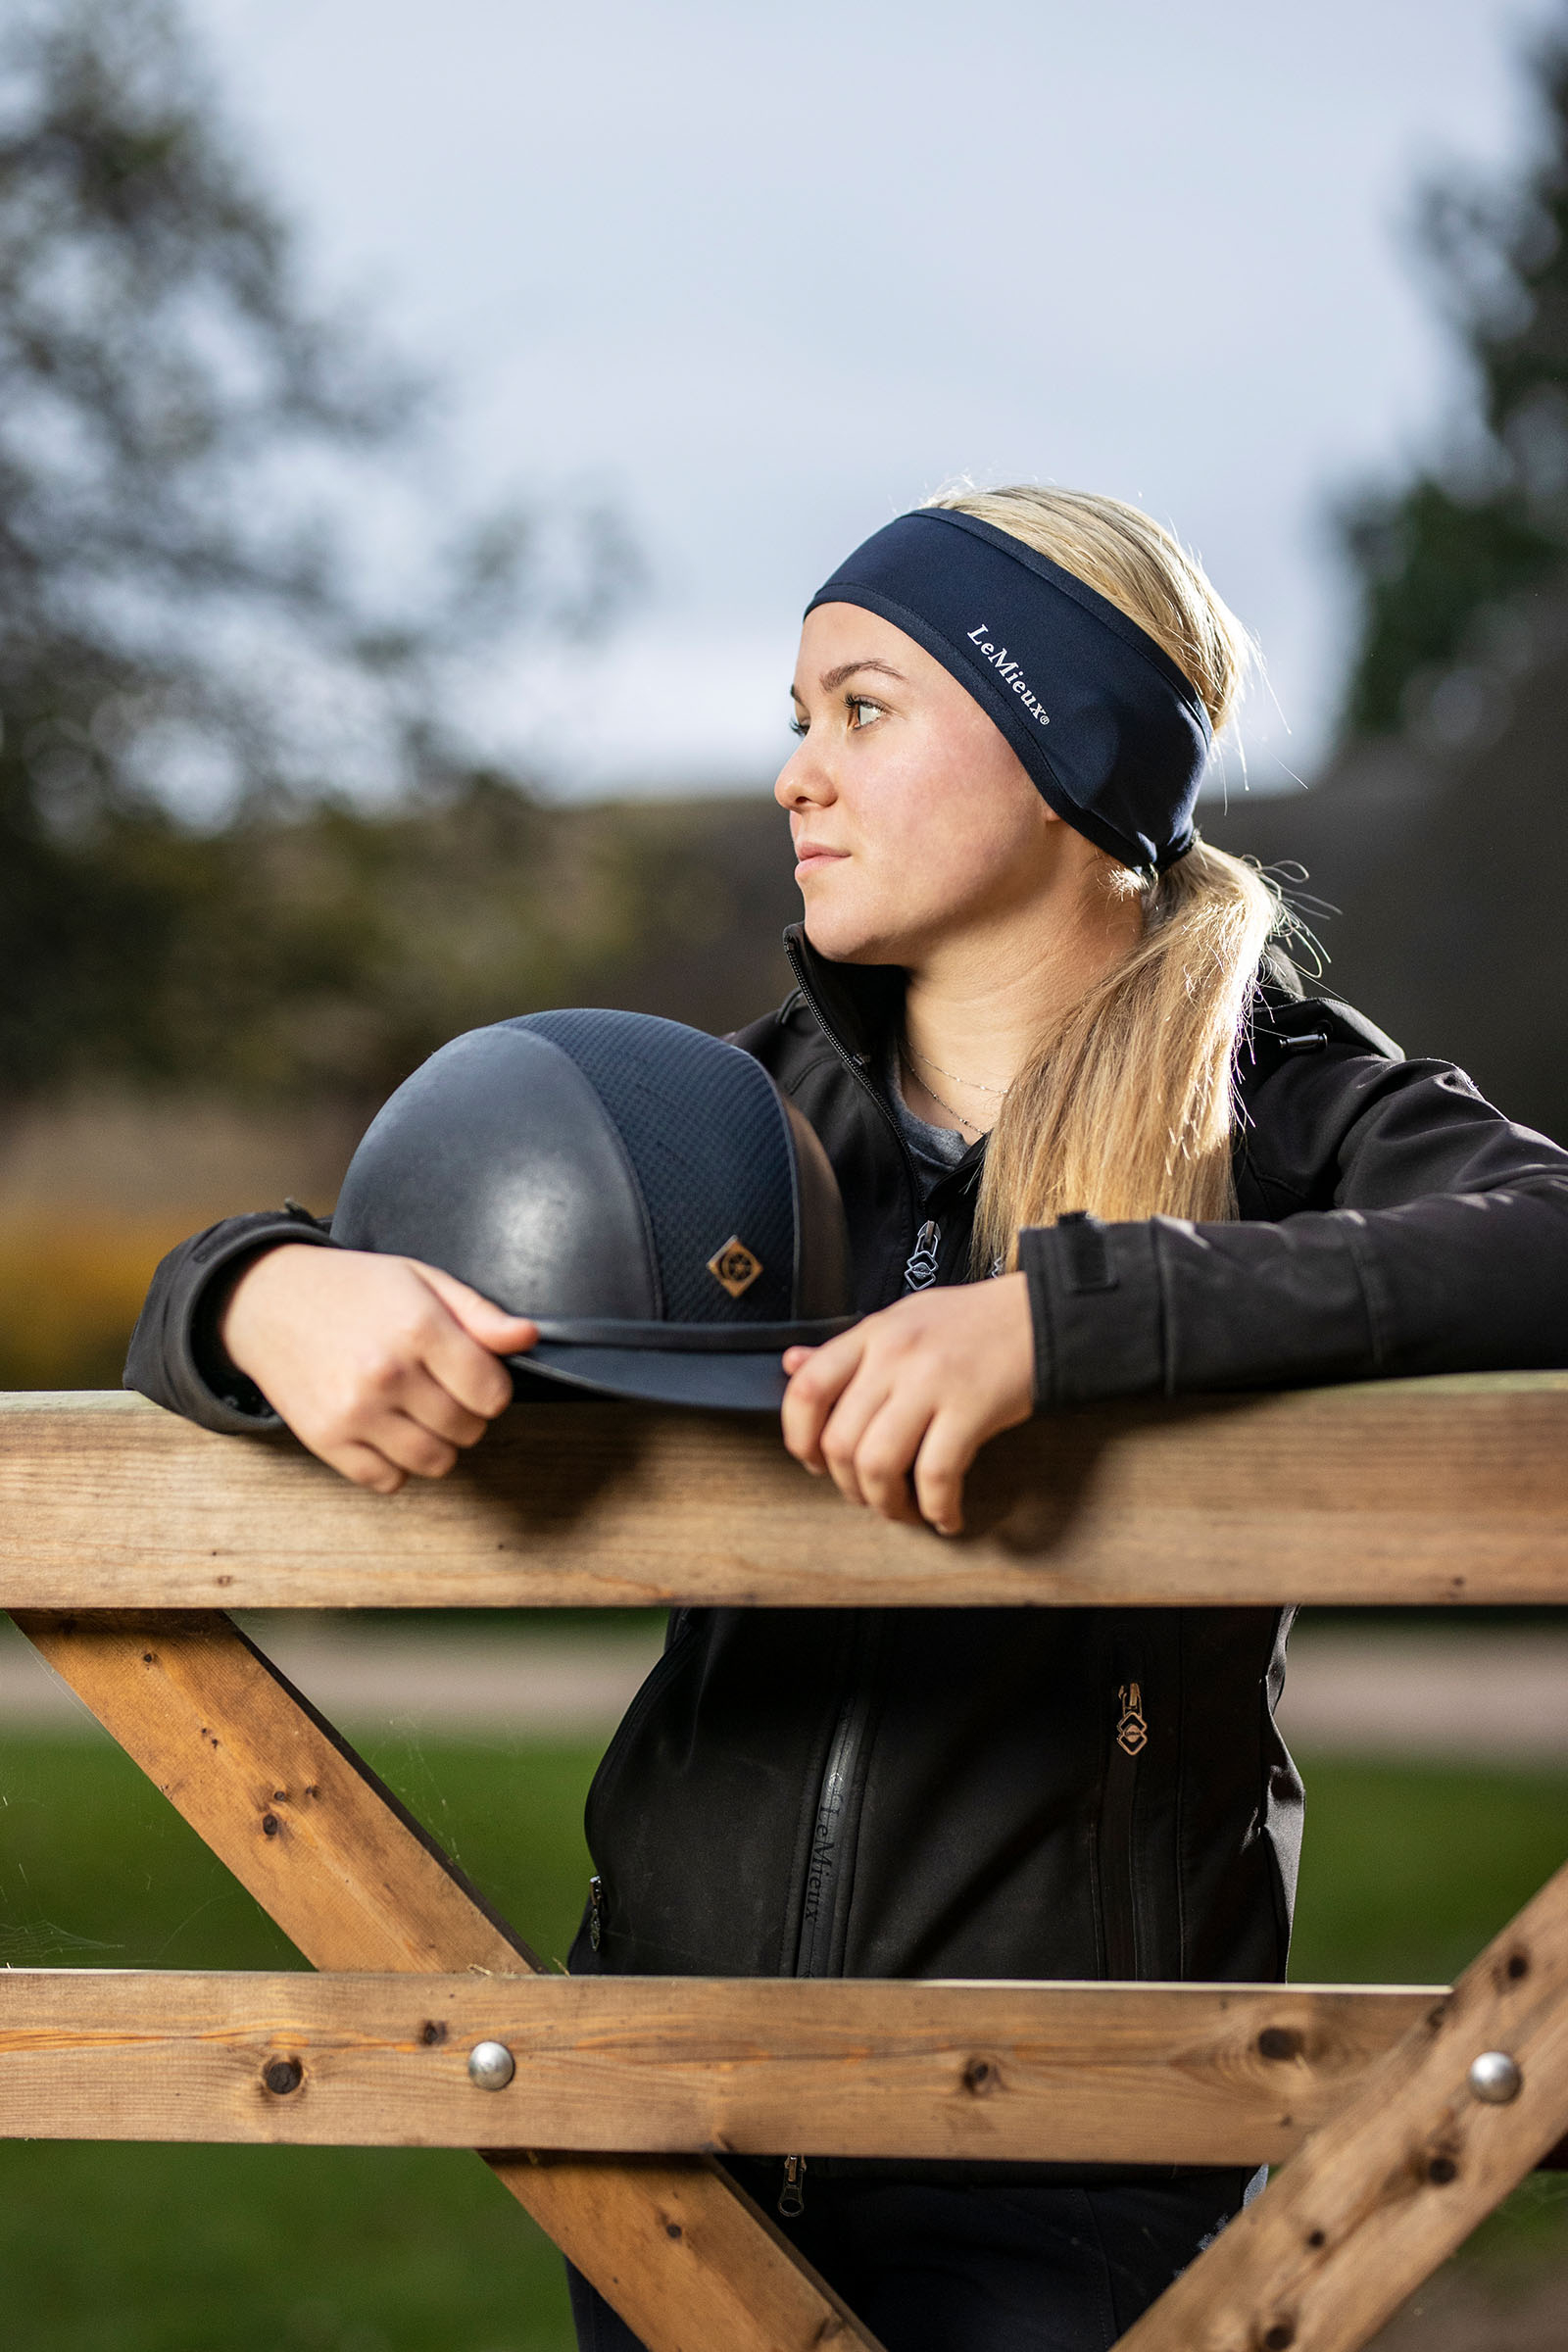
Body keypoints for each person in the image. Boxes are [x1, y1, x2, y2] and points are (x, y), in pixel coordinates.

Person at [126, 485, 1568, 2352]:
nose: (799, 774)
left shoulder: (1280, 1108)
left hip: (1083, 2132)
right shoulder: (726, 1122)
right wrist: (261, 1291)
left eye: (863, 708)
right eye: (796, 718)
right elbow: (313, 1288)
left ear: (1068, 751)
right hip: (676, 2104)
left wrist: (1073, 1323)